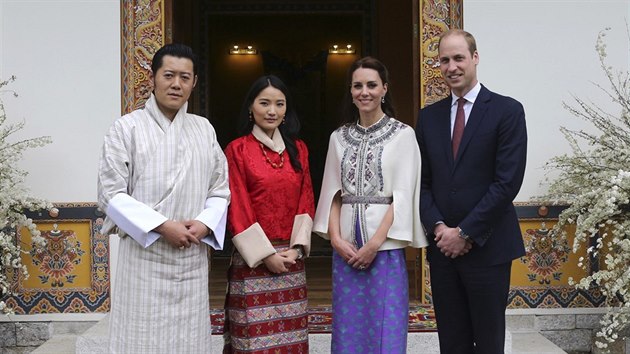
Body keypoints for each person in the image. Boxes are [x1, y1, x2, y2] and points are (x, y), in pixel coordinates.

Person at [97, 43, 230, 353]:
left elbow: (219, 189)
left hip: (190, 254)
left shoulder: (203, 129)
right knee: (141, 339)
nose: (176, 84)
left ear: (194, 82)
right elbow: (111, 195)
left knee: (188, 340)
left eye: (185, 77)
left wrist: (203, 223)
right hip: (145, 255)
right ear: (153, 77)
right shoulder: (125, 129)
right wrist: (161, 226)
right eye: (168, 75)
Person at [416, 29, 528, 354]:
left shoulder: (507, 111)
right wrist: (440, 229)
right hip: (443, 252)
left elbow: (506, 182)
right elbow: (421, 183)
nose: (452, 67)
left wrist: (464, 233)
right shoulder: (429, 117)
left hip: (488, 248)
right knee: (452, 342)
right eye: (445, 60)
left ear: (475, 58)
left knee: (489, 343)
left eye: (459, 58)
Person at [313, 57, 427, 353]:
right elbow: (333, 194)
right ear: (350, 92)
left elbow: (402, 196)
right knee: (348, 329)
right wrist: (336, 240)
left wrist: (374, 245)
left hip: (384, 249)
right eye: (358, 85)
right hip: (346, 251)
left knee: (385, 326)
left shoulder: (403, 135)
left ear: (384, 89)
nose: (365, 91)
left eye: (372, 85)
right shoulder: (338, 137)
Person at [223, 75, 315, 353]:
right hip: (253, 261)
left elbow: (306, 199)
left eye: (279, 104)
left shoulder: (298, 149)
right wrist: (265, 255)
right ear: (251, 107)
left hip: (290, 259)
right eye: (264, 103)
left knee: (292, 338)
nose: (272, 111)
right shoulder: (237, 150)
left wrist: (297, 250)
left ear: (287, 110)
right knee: (252, 340)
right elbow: (237, 204)